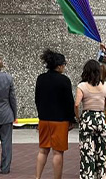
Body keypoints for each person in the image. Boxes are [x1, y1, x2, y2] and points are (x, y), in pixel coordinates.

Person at [35, 49, 75, 179]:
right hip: (60, 120)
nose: (64, 67)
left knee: (43, 150)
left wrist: (40, 115)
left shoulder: (41, 78)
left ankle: (37, 177)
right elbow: (69, 102)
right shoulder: (64, 80)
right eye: (64, 64)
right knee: (58, 153)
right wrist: (71, 119)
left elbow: (37, 99)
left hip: (44, 119)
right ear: (59, 66)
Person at [75, 60, 106, 179]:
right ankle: (101, 176)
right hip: (100, 118)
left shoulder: (82, 86)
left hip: (87, 118)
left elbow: (77, 104)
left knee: (87, 152)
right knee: (101, 152)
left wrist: (78, 117)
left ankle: (88, 176)